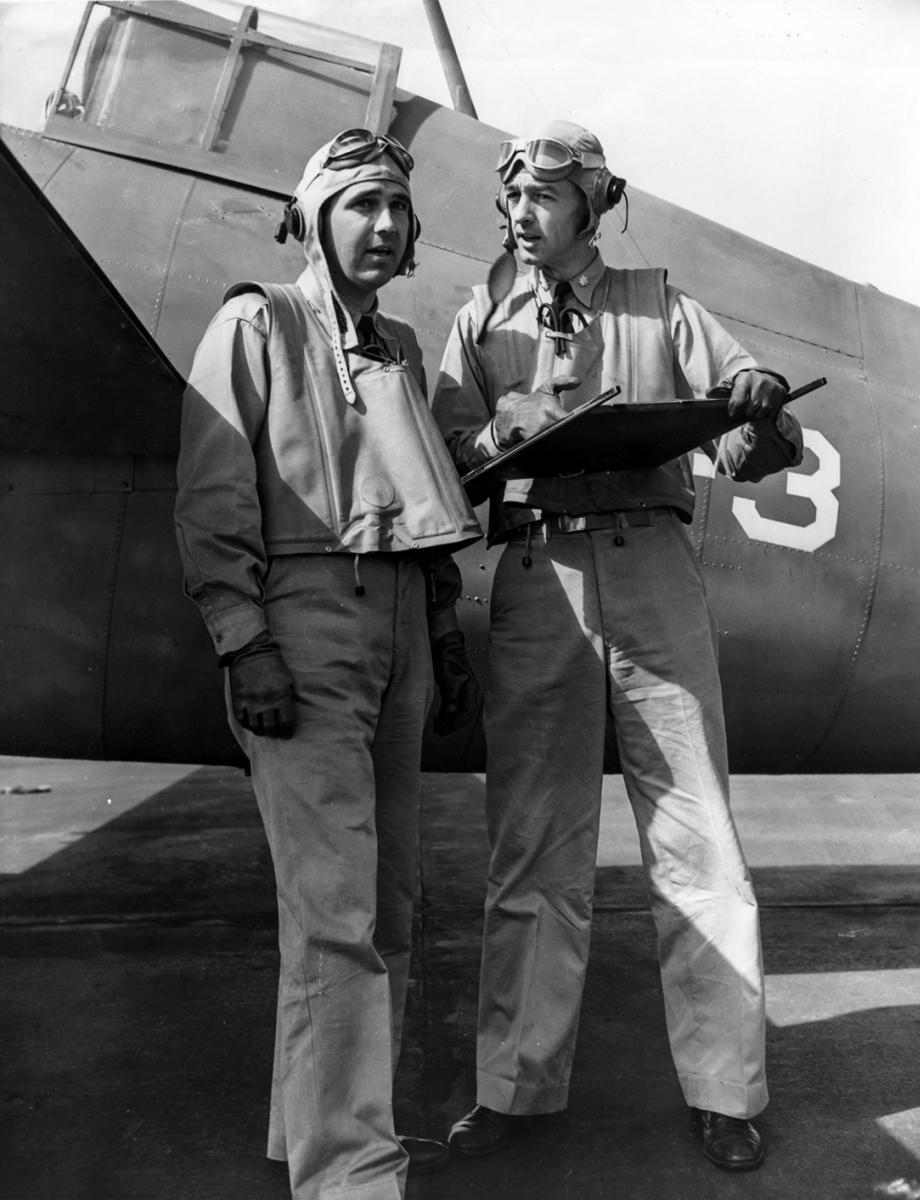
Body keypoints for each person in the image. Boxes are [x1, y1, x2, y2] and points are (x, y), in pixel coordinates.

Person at [432, 119, 805, 1173]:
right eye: (513, 197)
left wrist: (762, 406)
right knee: (532, 844)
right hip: (539, 578)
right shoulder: (479, 321)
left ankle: (727, 1090)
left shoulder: (664, 304)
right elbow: (446, 452)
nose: (522, 213)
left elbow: (744, 434)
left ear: (593, 204)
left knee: (698, 838)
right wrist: (503, 437)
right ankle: (515, 1085)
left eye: (546, 197)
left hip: (651, 566)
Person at [175, 128, 483, 1200]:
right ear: (313, 216)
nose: (386, 226)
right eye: (362, 205)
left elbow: (423, 510)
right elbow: (213, 505)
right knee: (332, 914)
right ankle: (351, 1175)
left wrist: (442, 638)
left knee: (384, 908)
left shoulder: (398, 343)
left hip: (399, 629)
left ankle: (309, 1129)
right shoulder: (257, 322)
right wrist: (244, 642)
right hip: (301, 627)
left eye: (398, 208)